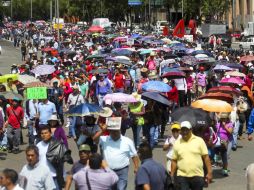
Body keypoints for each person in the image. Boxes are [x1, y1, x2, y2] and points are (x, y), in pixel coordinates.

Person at [97, 119, 139, 190]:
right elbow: (94, 139)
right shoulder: (104, 139)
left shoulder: (127, 141)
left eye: (116, 131)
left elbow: (134, 155)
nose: (115, 133)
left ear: (120, 130)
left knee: (121, 188)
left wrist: (136, 167)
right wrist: (102, 130)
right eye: (112, 131)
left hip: (122, 171)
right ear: (109, 131)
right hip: (107, 171)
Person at [171, 121, 212, 190]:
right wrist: (172, 175)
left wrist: (209, 172)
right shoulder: (177, 143)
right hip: (182, 175)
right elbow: (174, 160)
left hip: (197, 175)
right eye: (183, 130)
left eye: (186, 130)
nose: (184, 132)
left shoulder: (199, 141)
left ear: (191, 130)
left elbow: (206, 158)